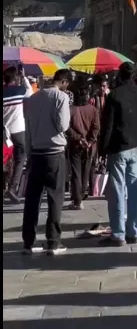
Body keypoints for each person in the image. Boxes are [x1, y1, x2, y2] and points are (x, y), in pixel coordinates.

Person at [98, 62, 137, 247]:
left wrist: (101, 149)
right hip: (136, 146)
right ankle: (134, 232)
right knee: (134, 190)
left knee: (118, 192)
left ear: (120, 75)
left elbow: (107, 125)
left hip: (118, 148)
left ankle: (118, 234)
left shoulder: (114, 96)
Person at [21, 68, 71, 256]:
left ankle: (28, 242)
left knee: (32, 200)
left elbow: (28, 130)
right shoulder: (61, 97)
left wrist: (29, 154)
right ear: (64, 82)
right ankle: (53, 242)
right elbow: (63, 125)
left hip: (35, 153)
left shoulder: (32, 98)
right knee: (54, 198)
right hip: (54, 153)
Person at [3, 65, 33, 202]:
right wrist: (24, 77)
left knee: (6, 160)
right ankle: (12, 187)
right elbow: (30, 93)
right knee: (20, 159)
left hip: (5, 132)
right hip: (19, 130)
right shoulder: (20, 90)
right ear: (15, 77)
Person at [67, 87, 100, 210]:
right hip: (90, 147)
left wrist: (78, 138)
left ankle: (77, 200)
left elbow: (67, 127)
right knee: (85, 172)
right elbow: (96, 128)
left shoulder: (71, 110)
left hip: (75, 145)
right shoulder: (93, 110)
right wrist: (90, 141)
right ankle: (80, 196)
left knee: (76, 173)